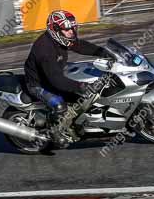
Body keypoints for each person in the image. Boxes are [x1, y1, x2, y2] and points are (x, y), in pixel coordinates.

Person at [23, 10, 111, 147]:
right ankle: (54, 132)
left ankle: (77, 124)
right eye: (67, 29)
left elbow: (81, 46)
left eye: (73, 28)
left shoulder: (63, 39)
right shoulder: (44, 49)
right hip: (38, 84)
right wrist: (82, 86)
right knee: (59, 104)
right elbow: (56, 81)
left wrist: (102, 52)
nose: (71, 32)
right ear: (55, 30)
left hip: (54, 74)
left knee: (81, 100)